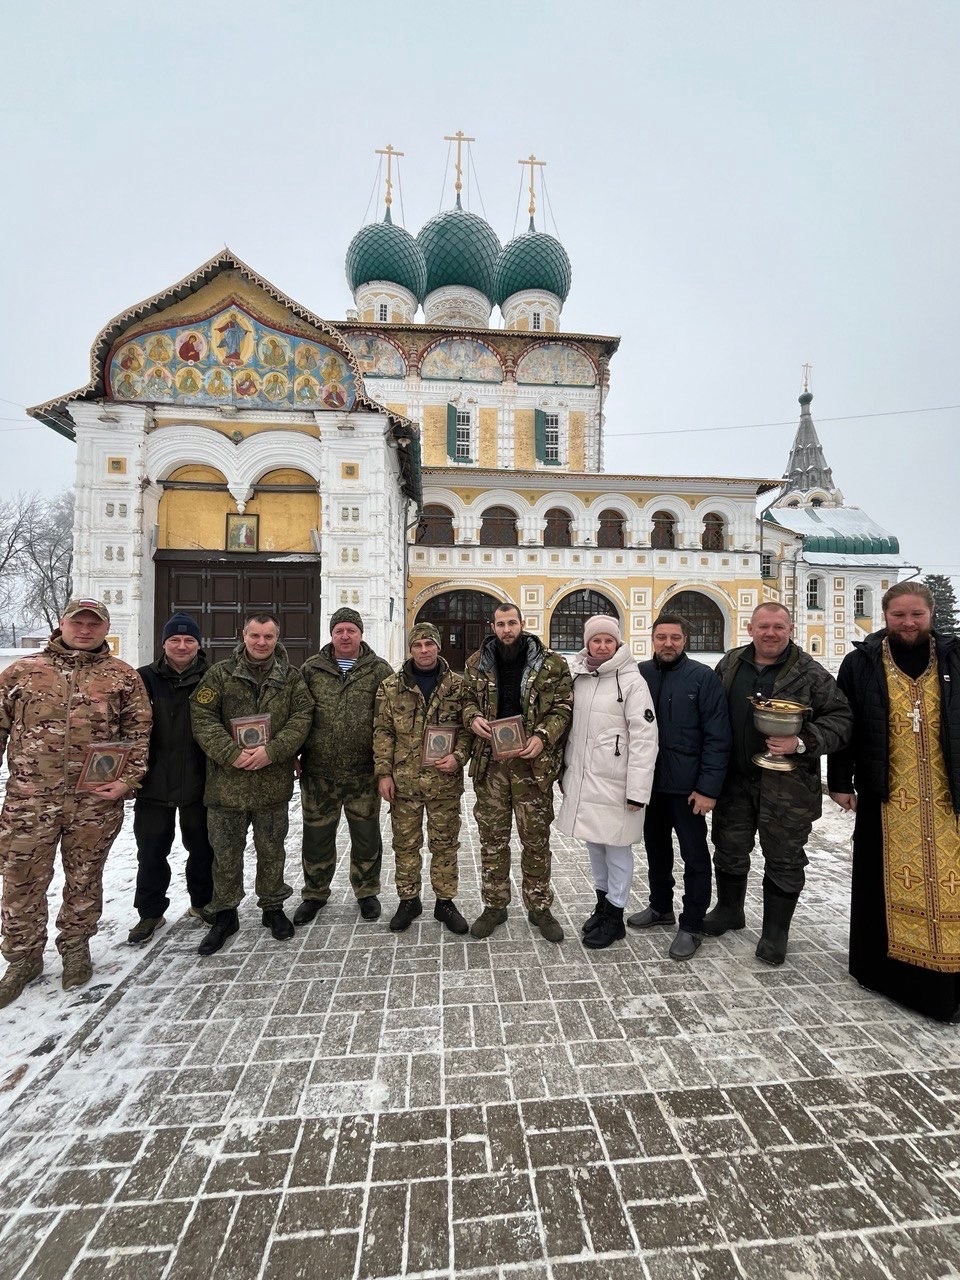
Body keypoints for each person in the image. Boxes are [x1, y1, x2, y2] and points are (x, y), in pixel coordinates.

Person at [0, 599, 152, 1006]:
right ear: (62, 623)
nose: (85, 630)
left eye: (93, 624)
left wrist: (128, 780)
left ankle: (75, 946)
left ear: (105, 629)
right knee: (21, 879)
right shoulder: (22, 672)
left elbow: (138, 732)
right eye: (78, 622)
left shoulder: (122, 677)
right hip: (30, 800)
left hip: (94, 800)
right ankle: (22, 957)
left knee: (85, 876)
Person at [828, 583, 960, 1022]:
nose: (908, 623)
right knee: (883, 880)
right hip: (888, 793)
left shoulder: (954, 659)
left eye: (916, 615)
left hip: (948, 795)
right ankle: (886, 973)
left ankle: (950, 981)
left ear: (931, 614)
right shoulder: (861, 664)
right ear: (885, 615)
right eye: (899, 615)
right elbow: (846, 726)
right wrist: (839, 780)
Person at [702, 602, 852, 965]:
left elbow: (842, 719)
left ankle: (775, 933)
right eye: (764, 626)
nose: (771, 633)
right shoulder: (730, 664)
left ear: (791, 629)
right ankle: (729, 910)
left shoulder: (810, 673)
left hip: (788, 788)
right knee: (728, 847)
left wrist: (801, 741)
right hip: (734, 780)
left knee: (784, 858)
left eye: (778, 627)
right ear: (750, 628)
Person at [190, 612, 312, 955]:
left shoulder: (290, 678)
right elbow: (202, 717)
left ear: (277, 639)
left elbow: (302, 718)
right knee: (225, 854)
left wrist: (273, 751)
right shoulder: (220, 675)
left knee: (272, 850)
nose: (261, 643)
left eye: (268, 637)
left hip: (271, 782)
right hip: (227, 783)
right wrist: (230, 752)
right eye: (255, 636)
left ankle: (272, 908)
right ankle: (225, 914)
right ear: (243, 636)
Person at [462, 602, 573, 942]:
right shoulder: (476, 662)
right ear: (492, 626)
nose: (506, 629)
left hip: (532, 766)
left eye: (512, 623)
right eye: (500, 624)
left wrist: (543, 737)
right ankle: (495, 906)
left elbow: (563, 707)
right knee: (493, 840)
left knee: (535, 840)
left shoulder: (552, 664)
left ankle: (539, 907)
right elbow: (465, 700)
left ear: (522, 624)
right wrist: (472, 718)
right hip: (492, 763)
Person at [629, 614, 731, 960]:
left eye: (675, 637)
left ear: (685, 640)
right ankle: (660, 907)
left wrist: (708, 789)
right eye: (661, 637)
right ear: (652, 639)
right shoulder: (640, 674)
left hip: (688, 788)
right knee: (657, 849)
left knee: (695, 856)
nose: (668, 643)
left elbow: (718, 738)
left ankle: (691, 923)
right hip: (651, 784)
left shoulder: (702, 678)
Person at [556, 615, 658, 949]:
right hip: (586, 780)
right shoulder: (581, 678)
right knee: (595, 846)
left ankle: (615, 916)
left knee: (617, 850)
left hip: (617, 784)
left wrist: (638, 792)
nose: (602, 646)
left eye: (608, 641)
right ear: (587, 643)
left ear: (618, 644)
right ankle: (602, 905)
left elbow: (645, 739)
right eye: (596, 640)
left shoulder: (631, 682)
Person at [373, 622, 472, 935]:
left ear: (438, 647)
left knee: (445, 845)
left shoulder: (459, 686)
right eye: (418, 645)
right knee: (405, 844)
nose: (424, 650)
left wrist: (458, 757)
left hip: (444, 783)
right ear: (410, 649)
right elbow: (383, 731)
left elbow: (469, 730)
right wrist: (383, 773)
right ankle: (409, 899)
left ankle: (445, 902)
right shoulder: (391, 686)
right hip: (404, 784)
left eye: (430, 644)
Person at [295, 608, 393, 923]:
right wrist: (292, 755)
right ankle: (314, 893)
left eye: (351, 630)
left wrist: (386, 766)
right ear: (332, 634)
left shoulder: (379, 670)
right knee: (316, 836)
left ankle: (367, 892)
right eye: (340, 631)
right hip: (319, 773)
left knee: (366, 836)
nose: (346, 636)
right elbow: (296, 714)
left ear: (361, 633)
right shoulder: (312, 669)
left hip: (363, 772)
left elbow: (390, 718)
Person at [127, 613, 216, 945]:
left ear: (198, 644)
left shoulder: (212, 678)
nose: (182, 646)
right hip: (154, 782)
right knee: (151, 851)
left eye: (189, 640)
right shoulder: (143, 679)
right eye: (175, 640)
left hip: (199, 781)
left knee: (202, 849)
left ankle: (203, 903)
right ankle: (150, 912)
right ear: (163, 643)